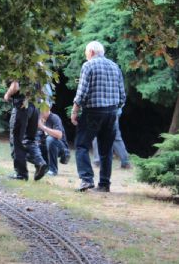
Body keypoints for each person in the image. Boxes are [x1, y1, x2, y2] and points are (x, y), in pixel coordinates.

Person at [71, 41, 126, 192]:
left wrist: (75, 111)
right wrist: (114, 109)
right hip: (111, 113)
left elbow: (82, 92)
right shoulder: (115, 66)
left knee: (82, 145)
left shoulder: (88, 66)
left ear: (92, 52)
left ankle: (86, 179)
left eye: (86, 53)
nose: (86, 56)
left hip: (93, 113)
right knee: (106, 150)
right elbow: (122, 96)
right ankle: (104, 184)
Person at [4, 81, 48, 181]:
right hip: (34, 107)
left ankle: (21, 174)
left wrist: (7, 95)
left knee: (16, 140)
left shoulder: (19, 65)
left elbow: (15, 86)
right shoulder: (38, 65)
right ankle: (40, 163)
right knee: (30, 139)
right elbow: (42, 91)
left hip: (22, 106)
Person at [38, 106, 70, 176]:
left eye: (42, 110)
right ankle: (44, 167)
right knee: (31, 146)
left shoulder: (54, 118)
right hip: (46, 146)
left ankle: (53, 170)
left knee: (50, 139)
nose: (40, 112)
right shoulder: (39, 120)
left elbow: (59, 135)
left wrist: (43, 127)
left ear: (48, 109)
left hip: (60, 146)